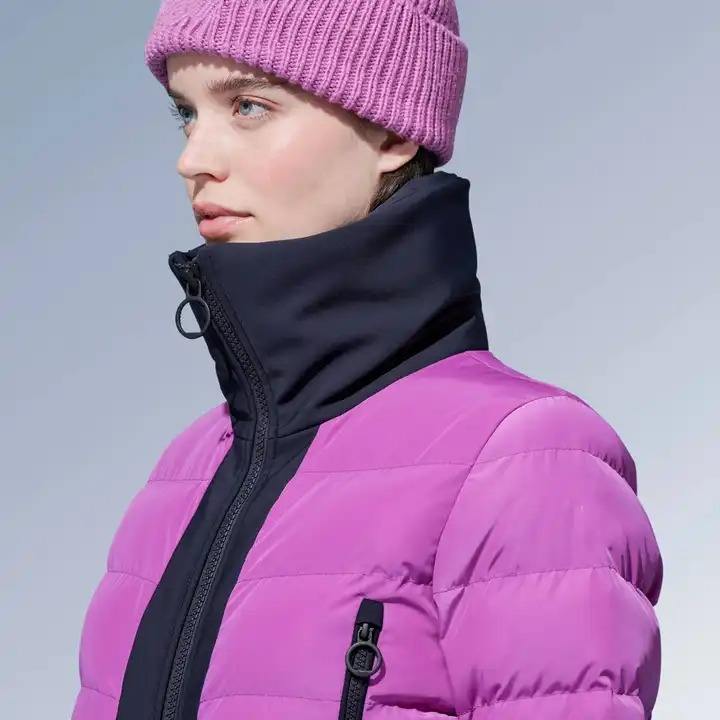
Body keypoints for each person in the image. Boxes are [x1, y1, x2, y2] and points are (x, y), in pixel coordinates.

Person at [71, 2, 663, 719]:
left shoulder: (526, 456)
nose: (192, 159)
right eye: (186, 114)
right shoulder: (182, 472)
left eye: (249, 106)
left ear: (391, 129)